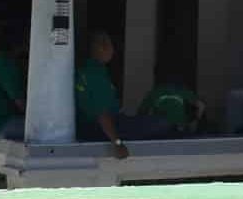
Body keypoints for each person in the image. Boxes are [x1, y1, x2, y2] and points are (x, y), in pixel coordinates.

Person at [75, 30, 128, 158]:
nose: (111, 50)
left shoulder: (84, 69)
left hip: (86, 126)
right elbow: (102, 113)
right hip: (97, 129)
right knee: (160, 124)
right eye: (108, 44)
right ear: (98, 48)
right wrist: (117, 142)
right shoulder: (95, 73)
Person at [135, 82, 205, 137]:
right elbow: (201, 106)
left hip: (171, 129)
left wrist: (193, 122)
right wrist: (195, 121)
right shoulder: (182, 91)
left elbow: (141, 112)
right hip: (163, 129)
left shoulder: (154, 92)